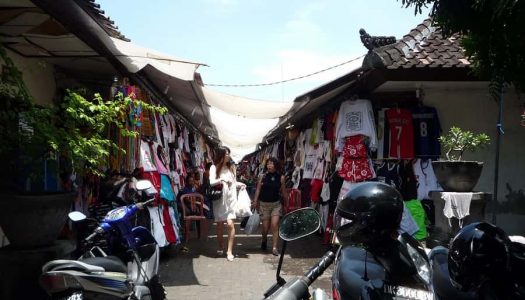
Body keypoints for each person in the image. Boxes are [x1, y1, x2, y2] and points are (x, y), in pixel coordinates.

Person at [209, 146, 245, 261]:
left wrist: (240, 184)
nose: (229, 155)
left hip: (231, 199)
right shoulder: (214, 167)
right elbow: (211, 182)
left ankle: (229, 251)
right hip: (220, 200)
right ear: (221, 155)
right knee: (219, 225)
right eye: (227, 153)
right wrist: (222, 180)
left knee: (230, 224)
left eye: (229, 153)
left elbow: (233, 182)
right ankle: (220, 246)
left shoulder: (232, 167)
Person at [252, 157, 287, 256]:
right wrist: (255, 201)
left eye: (271, 164)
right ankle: (264, 239)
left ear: (276, 165)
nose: (269, 165)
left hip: (276, 204)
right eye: (268, 164)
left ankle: (274, 247)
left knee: (275, 225)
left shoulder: (281, 177)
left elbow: (283, 192)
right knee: (265, 228)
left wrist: (287, 203)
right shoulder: (262, 176)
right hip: (264, 205)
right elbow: (258, 190)